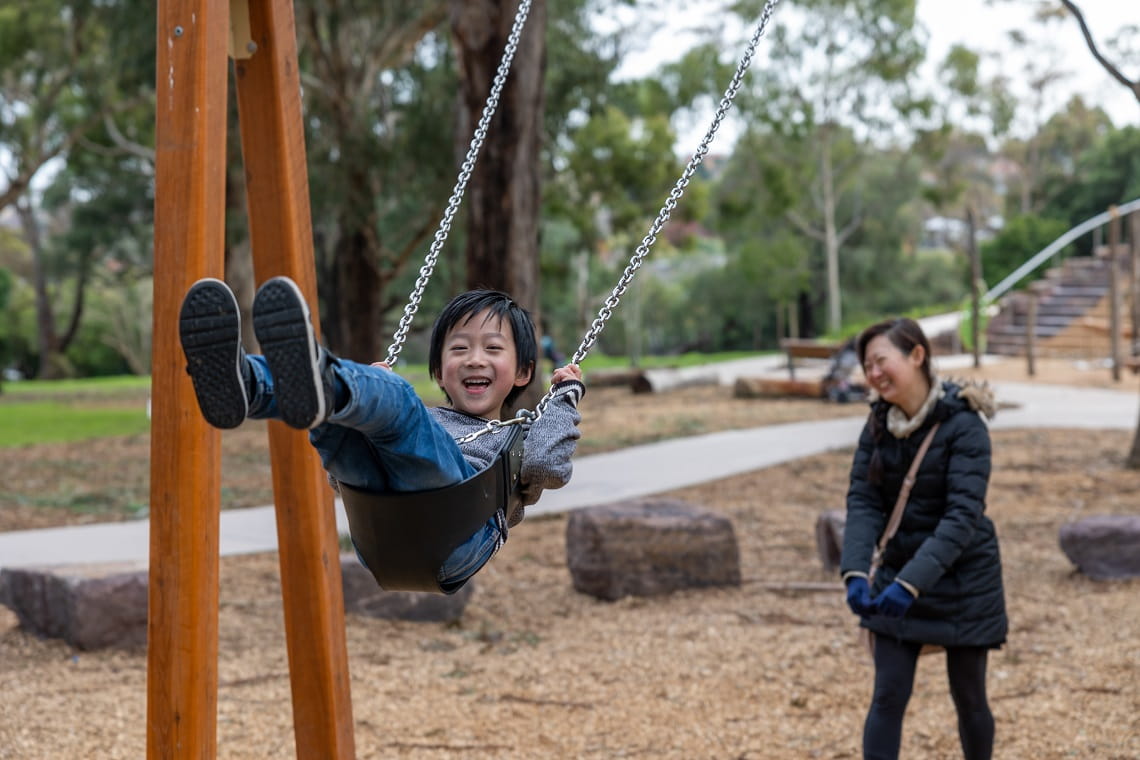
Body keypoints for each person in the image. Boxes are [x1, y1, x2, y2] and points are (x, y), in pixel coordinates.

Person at [178, 276, 584, 593]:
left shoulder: (519, 439)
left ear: (523, 373)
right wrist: (370, 405)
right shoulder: (424, 422)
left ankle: (302, 381)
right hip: (383, 534)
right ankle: (250, 384)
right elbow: (340, 479)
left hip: (458, 534)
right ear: (440, 372)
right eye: (458, 349)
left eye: (493, 349)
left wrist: (564, 396)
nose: (474, 359)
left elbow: (546, 465)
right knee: (334, 420)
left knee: (390, 400)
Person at [839, 317, 1006, 760]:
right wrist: (855, 571)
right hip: (897, 570)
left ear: (917, 355)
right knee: (887, 697)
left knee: (969, 697)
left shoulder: (965, 424)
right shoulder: (877, 424)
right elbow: (863, 502)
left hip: (964, 578)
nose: (873, 374)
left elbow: (961, 517)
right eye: (867, 365)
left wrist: (910, 584)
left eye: (881, 361)